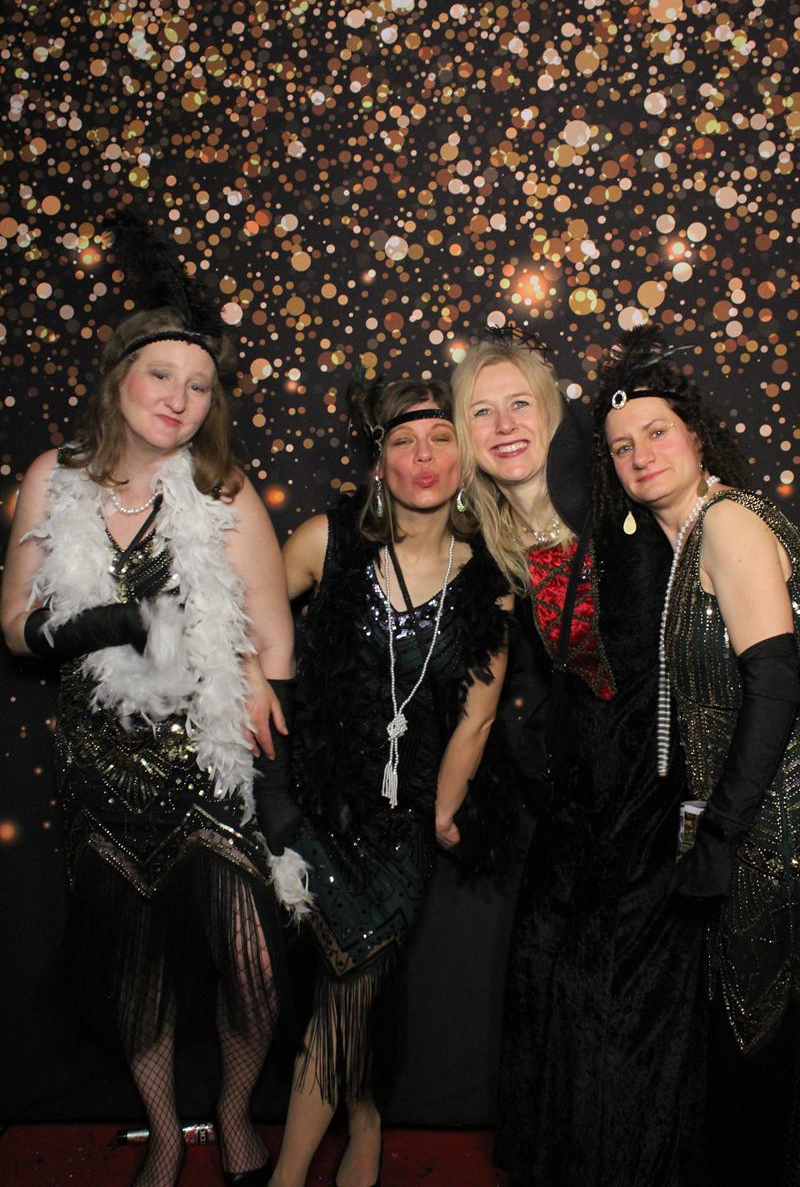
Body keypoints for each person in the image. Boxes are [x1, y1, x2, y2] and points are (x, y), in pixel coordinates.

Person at [1, 299, 303, 1187]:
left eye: (200, 387)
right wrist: (103, 623)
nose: (179, 398)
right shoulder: (53, 478)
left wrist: (256, 694)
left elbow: (274, 638)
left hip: (210, 764)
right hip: (103, 760)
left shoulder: (223, 490)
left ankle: (235, 1116)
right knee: (134, 976)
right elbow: (15, 624)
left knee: (253, 966)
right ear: (119, 381)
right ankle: (166, 1136)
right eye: (162, 375)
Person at [451, 327, 706, 1187]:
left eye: (519, 403)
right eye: (482, 412)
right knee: (546, 979)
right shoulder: (498, 544)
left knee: (622, 1009)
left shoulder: (620, 496)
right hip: (579, 805)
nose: (505, 426)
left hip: (657, 798)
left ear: (555, 414)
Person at [266, 375, 512, 1187]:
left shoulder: (488, 582)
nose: (424, 456)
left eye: (441, 438)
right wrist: (250, 690)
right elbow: (246, 616)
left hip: (402, 826)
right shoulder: (327, 543)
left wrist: (441, 815)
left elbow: (476, 718)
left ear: (464, 458)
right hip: (317, 806)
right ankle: (354, 1131)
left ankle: (315, 1159)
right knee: (344, 990)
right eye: (404, 441)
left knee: (355, 987)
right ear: (380, 463)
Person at [597, 323, 800, 1186]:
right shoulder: (685, 542)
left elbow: (778, 683)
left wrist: (719, 838)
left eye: (657, 431)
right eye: (621, 446)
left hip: (772, 834)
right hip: (746, 827)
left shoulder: (727, 522)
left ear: (696, 437)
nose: (641, 454)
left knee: (760, 1046)